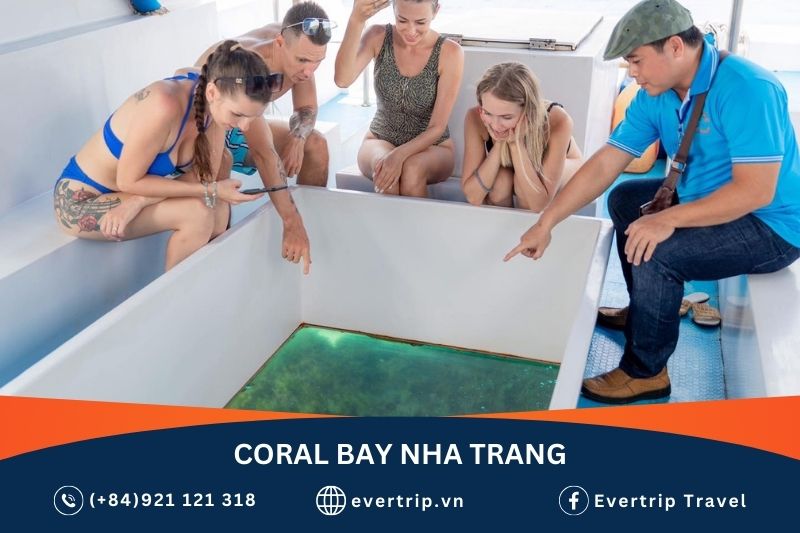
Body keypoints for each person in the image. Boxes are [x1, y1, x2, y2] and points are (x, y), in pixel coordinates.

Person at [504, 0, 800, 404]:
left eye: (637, 61)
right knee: (626, 200)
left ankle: (646, 371)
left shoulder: (749, 88)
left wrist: (669, 220)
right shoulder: (654, 93)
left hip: (771, 225)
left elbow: (755, 191)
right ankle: (646, 310)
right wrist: (547, 221)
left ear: (676, 47)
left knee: (658, 249)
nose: (633, 73)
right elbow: (608, 163)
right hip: (709, 198)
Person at [54, 41, 272, 271]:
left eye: (252, 117)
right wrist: (212, 190)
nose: (245, 127)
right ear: (212, 92)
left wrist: (138, 202)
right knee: (197, 214)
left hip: (130, 194)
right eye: (238, 114)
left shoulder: (215, 113)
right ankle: (175, 303)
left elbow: (202, 178)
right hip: (81, 200)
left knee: (217, 211)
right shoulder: (162, 105)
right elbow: (128, 181)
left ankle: (203, 289)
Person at [334, 0, 464, 197]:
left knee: (412, 170)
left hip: (434, 147)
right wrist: (356, 20)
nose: (411, 31)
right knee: (384, 171)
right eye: (402, 20)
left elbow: (437, 128)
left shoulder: (450, 53)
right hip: (379, 139)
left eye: (421, 22)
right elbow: (342, 80)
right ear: (393, 9)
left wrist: (399, 155)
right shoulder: (377, 36)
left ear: (436, 11)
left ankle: (418, 229)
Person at [462, 62, 583, 211]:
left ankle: (524, 233)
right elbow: (473, 196)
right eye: (488, 113)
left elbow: (539, 204)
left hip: (565, 170)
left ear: (528, 111)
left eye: (506, 117)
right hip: (516, 166)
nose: (495, 125)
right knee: (500, 182)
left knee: (523, 185)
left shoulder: (558, 121)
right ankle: (506, 233)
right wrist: (501, 143)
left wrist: (516, 143)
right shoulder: (475, 118)